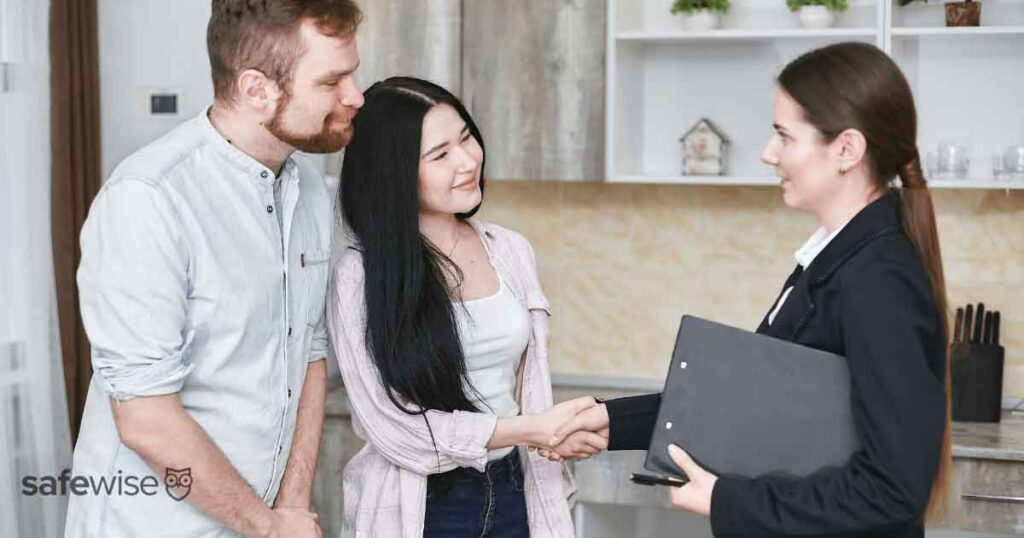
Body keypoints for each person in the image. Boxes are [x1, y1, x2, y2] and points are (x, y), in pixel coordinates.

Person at [545, 42, 951, 538]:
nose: (767, 152)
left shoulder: (878, 279)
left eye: (784, 135)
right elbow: (761, 405)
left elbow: (891, 491)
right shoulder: (835, 259)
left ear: (847, 148)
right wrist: (610, 421)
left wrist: (725, 498)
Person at [66, 1, 364, 536]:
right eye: (332, 81)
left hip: (264, 519)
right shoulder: (149, 198)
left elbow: (310, 351)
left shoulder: (311, 189)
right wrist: (268, 526)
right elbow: (145, 420)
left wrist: (290, 503)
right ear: (256, 89)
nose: (355, 96)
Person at [328, 76, 601, 537]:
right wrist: (531, 429)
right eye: (440, 155)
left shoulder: (511, 250)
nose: (468, 160)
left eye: (466, 138)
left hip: (516, 489)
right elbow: (395, 430)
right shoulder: (361, 276)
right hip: (424, 505)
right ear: (393, 173)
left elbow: (528, 385)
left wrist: (546, 430)